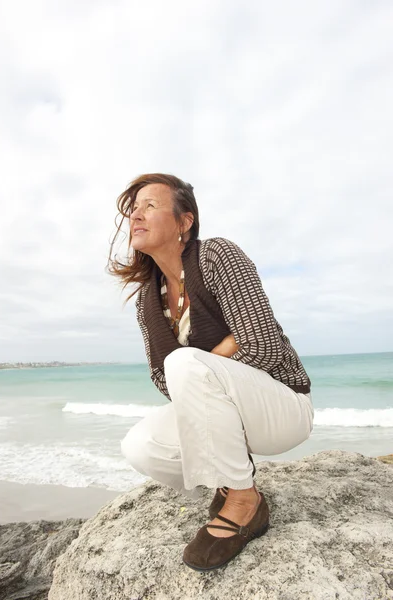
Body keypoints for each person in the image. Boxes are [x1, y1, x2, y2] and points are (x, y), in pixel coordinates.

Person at [107, 173, 314, 572]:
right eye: (134, 208)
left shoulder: (217, 256)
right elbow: (164, 381)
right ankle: (233, 475)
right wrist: (224, 348)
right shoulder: (147, 300)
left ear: (184, 222)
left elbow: (265, 346)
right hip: (227, 411)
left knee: (185, 362)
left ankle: (244, 502)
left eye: (150, 205)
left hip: (283, 407)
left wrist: (204, 364)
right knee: (141, 446)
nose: (136, 214)